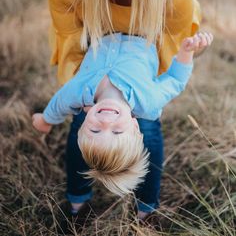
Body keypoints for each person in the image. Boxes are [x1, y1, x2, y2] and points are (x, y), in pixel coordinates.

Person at [43, 0, 203, 220]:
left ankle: (147, 208)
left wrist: (142, 99)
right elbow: (70, 38)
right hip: (96, 48)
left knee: (149, 126)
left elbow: (170, 52)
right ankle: (77, 202)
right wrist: (79, 95)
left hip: (144, 55)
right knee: (80, 125)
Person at [33, 32, 212, 196]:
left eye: (95, 131)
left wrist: (45, 120)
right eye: (117, 132)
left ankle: (76, 200)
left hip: (104, 28)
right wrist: (186, 52)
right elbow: (175, 80)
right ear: (135, 126)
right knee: (152, 132)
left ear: (85, 119)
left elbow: (59, 104)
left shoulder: (78, 93)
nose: (106, 122)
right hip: (144, 30)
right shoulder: (150, 102)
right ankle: (146, 206)